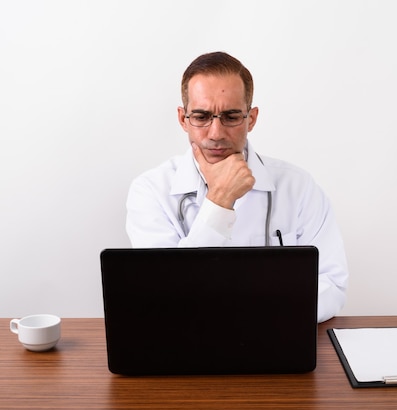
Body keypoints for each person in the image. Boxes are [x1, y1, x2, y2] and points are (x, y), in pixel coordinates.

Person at [125, 51, 348, 322]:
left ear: (251, 119)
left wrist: (256, 315)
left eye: (231, 117)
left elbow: (331, 284)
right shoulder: (150, 190)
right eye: (201, 116)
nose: (216, 133)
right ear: (183, 119)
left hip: (277, 338)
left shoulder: (298, 187)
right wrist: (220, 200)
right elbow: (165, 295)